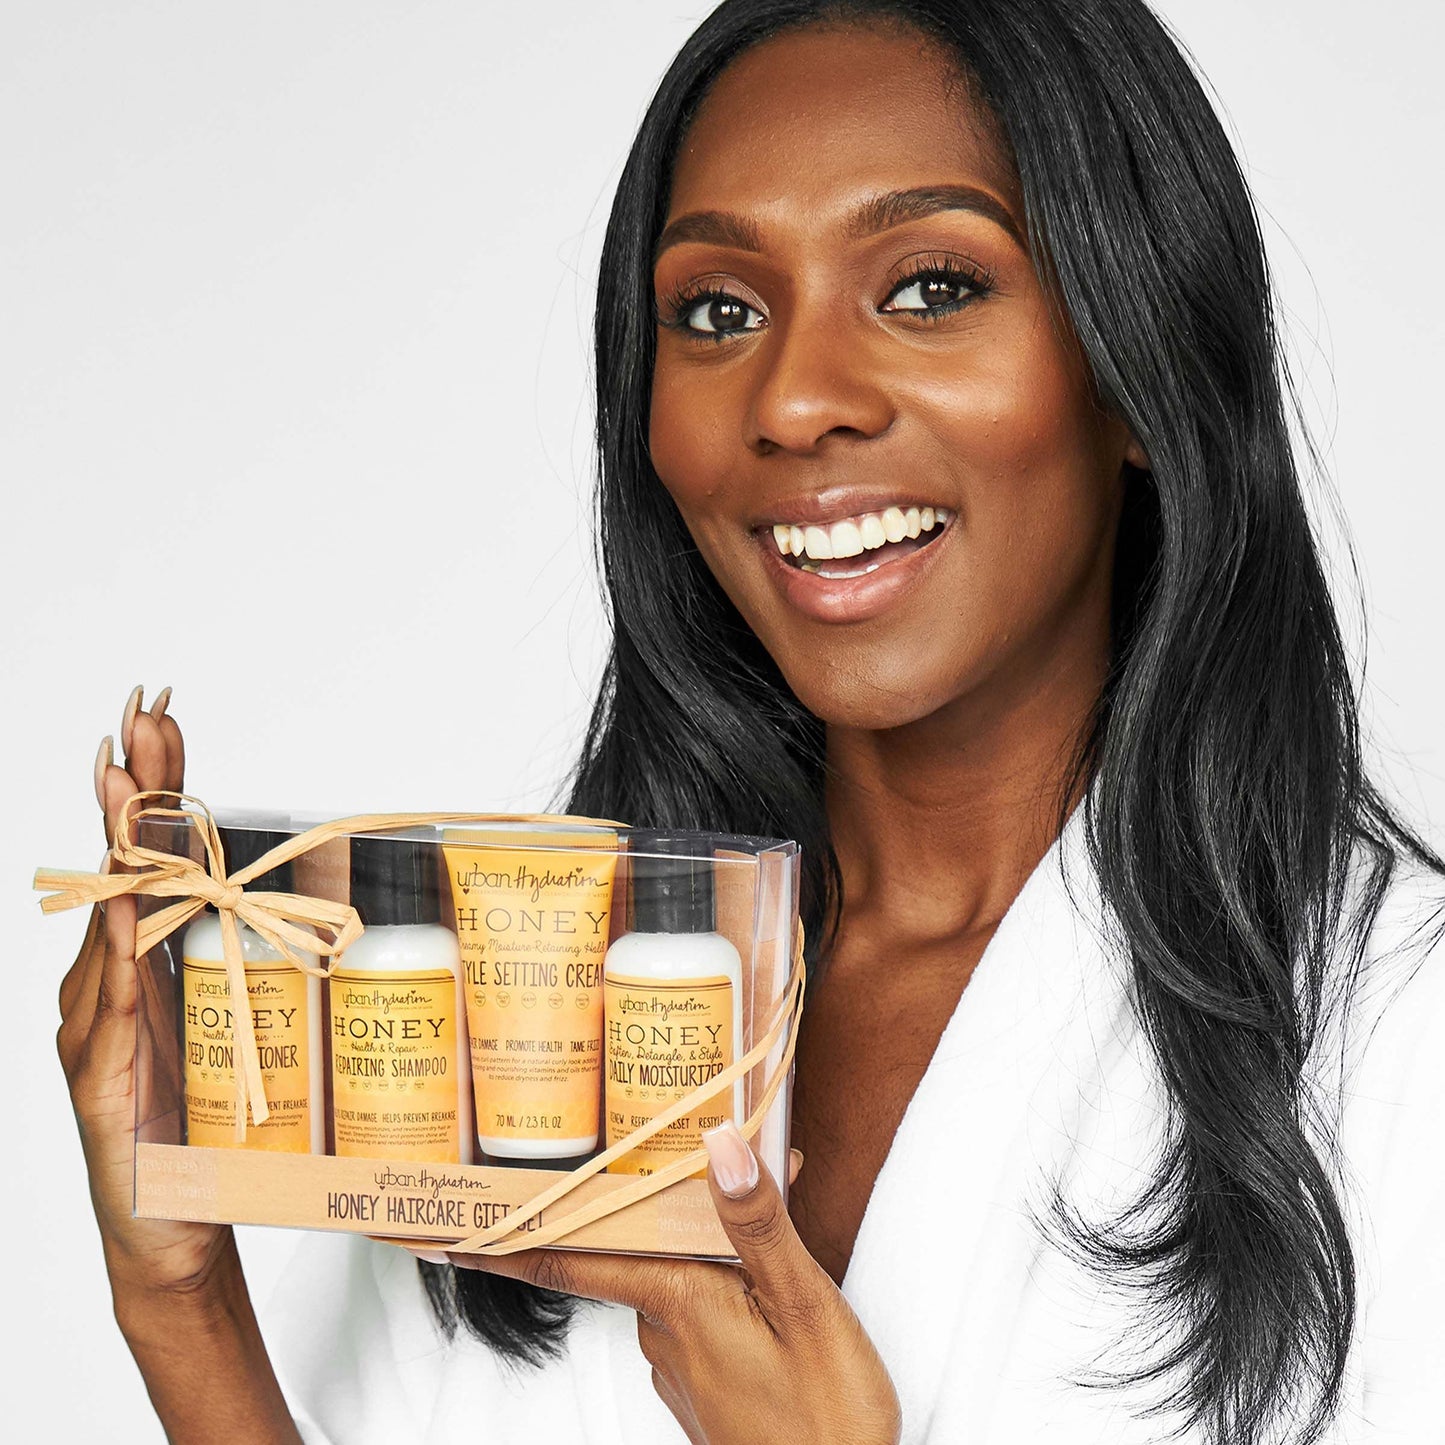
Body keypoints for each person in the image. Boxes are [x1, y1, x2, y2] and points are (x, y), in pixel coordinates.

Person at [57, 2, 1445, 1442]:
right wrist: (179, 1303)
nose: (792, 400)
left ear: (1137, 369)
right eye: (719, 311)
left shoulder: (1405, 1045)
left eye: (929, 287)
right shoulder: (514, 1008)